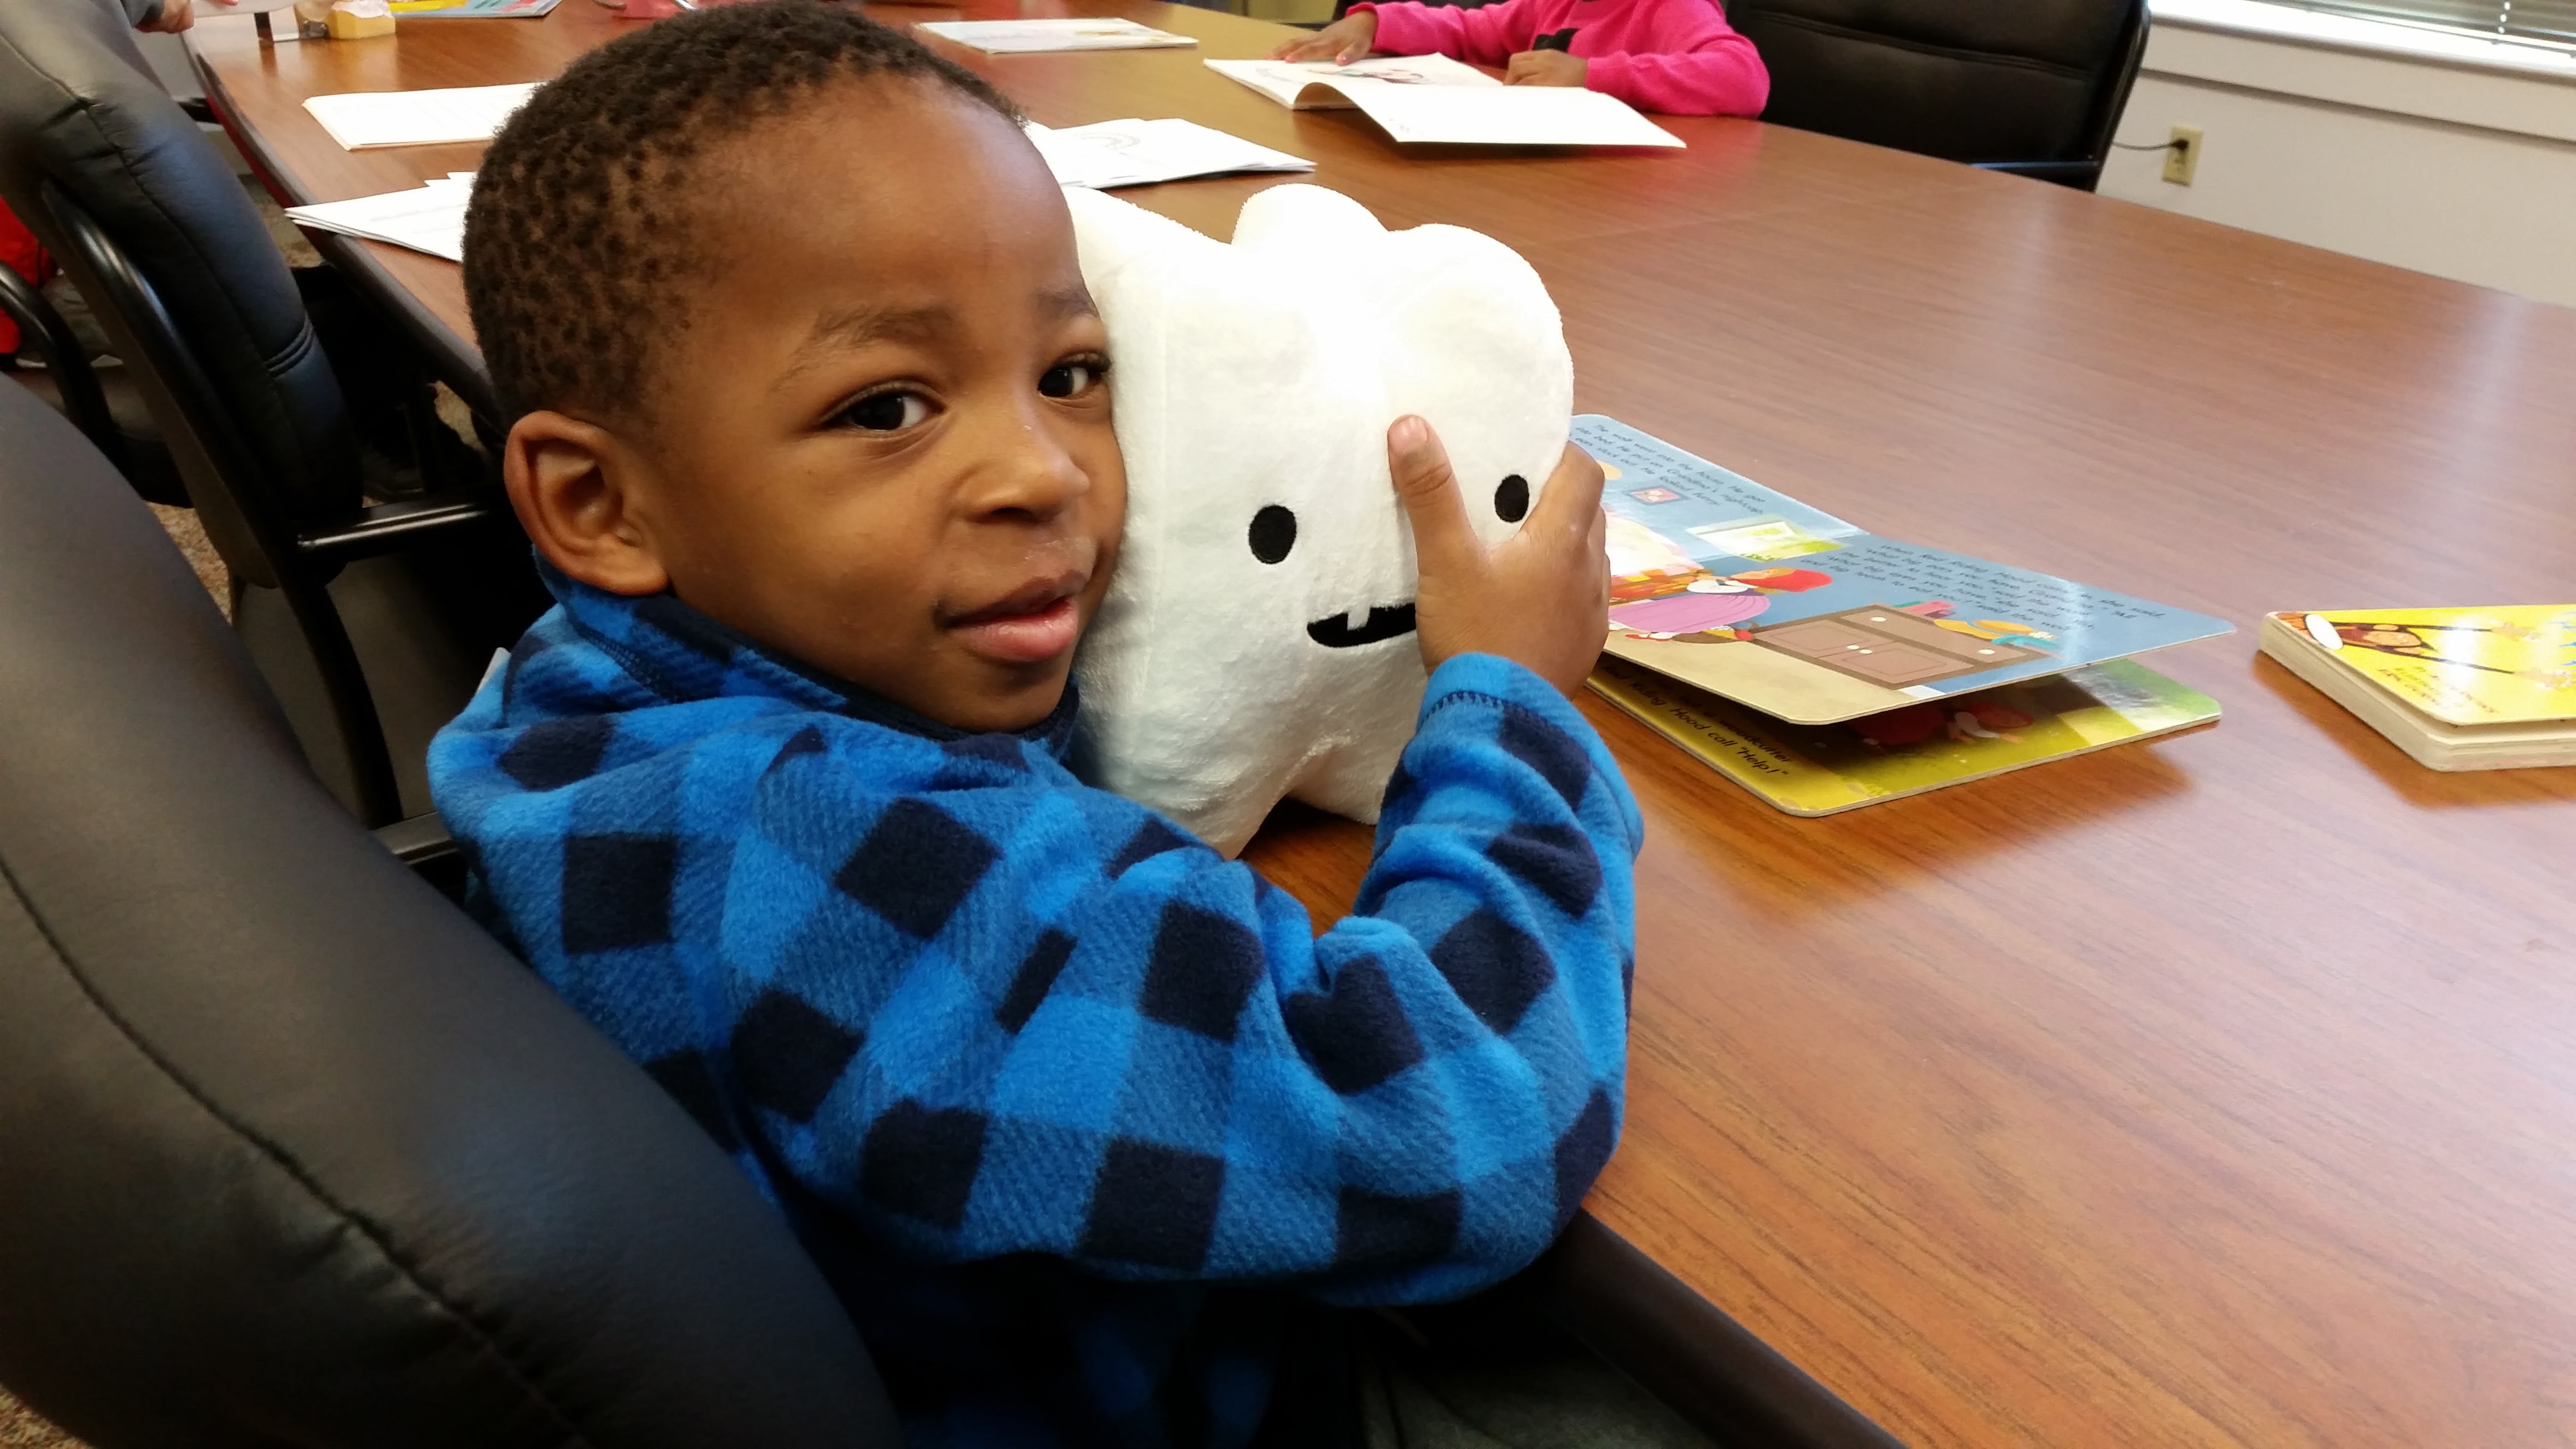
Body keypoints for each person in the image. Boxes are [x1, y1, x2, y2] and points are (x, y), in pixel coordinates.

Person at [430, 4, 1644, 1445]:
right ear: (595, 504)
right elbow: (1446, 1132)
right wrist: (1508, 706)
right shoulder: (807, 841)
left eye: (1072, 375)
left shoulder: (594, 694)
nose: (1046, 474)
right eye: (889, 405)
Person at [1269, 0, 1766, 117]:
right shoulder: (1554, 4)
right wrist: (1377, 22)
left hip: (1639, 198)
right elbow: (1470, 29)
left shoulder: (1670, 6)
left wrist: (1592, 75)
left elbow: (1743, 79)